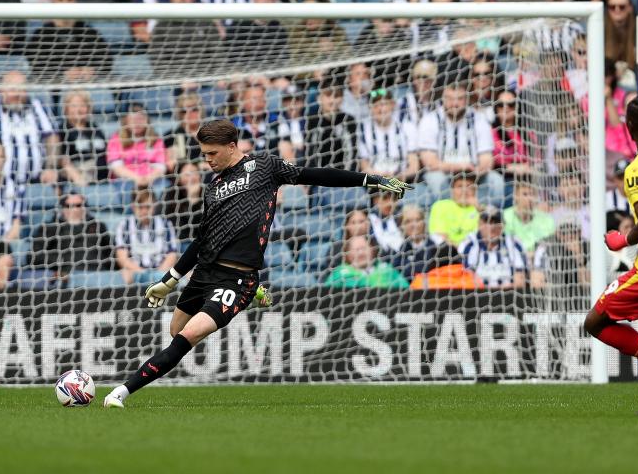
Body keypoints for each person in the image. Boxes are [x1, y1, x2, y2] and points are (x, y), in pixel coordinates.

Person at [102, 119, 411, 408]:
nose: (207, 160)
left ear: (232, 146)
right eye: (204, 154)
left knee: (187, 338)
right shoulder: (213, 189)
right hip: (205, 272)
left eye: (212, 153)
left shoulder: (264, 166)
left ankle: (121, 392)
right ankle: (253, 293)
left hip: (235, 279)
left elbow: (313, 174)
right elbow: (202, 240)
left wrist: (370, 180)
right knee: (176, 330)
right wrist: (170, 279)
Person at [0, 72, 60, 185]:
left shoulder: (38, 107)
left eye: (22, 89)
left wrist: (51, 167)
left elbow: (52, 137)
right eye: (12, 89)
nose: (17, 94)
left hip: (37, 182)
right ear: (2, 90)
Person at [418, 83, 501, 205]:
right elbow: (430, 163)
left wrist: (477, 170)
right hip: (443, 173)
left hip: (473, 174)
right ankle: (449, 219)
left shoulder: (479, 119)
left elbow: (487, 160)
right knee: (437, 180)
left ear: (467, 99)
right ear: (443, 99)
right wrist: (461, 166)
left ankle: (490, 219)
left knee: (496, 180)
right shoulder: (430, 120)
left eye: (460, 99)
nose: (455, 104)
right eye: (450, 99)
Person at [24, 0, 112, 83]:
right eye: (60, 0)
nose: (65, 4)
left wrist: (93, 70)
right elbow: (35, 64)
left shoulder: (89, 32)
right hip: (53, 87)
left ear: (76, 2)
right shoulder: (41, 35)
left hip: (88, 85)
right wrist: (62, 73)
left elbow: (106, 59)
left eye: (69, 0)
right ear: (53, 2)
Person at [29, 192, 114, 280]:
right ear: (62, 208)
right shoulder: (50, 228)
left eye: (78, 205)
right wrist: (63, 261)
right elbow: (33, 257)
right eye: (68, 206)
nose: (73, 209)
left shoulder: (98, 226)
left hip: (96, 275)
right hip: (66, 277)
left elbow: (111, 253)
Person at [115, 188, 180, 284]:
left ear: (154, 206)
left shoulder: (165, 224)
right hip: (135, 273)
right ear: (133, 207)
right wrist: (142, 273)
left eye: (148, 207)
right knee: (125, 274)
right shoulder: (125, 225)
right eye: (140, 207)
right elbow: (122, 257)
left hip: (161, 273)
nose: (144, 211)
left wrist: (159, 275)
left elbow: (172, 255)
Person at [357, 88, 419, 185]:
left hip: (403, 180)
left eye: (384, 104)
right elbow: (364, 166)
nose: (380, 109)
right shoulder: (363, 130)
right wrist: (381, 178)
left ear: (393, 105)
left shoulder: (406, 126)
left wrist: (398, 177)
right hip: (373, 183)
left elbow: (414, 166)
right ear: (370, 108)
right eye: (375, 105)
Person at [458, 207, 527, 288]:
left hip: (509, 296)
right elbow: (466, 279)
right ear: (479, 224)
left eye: (495, 222)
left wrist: (498, 292)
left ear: (503, 225)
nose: (492, 227)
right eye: (487, 222)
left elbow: (520, 280)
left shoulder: (514, 244)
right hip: (476, 297)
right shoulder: (468, 245)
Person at [106, 104, 168, 190]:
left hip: (152, 180)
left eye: (141, 119)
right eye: (133, 119)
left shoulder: (156, 139)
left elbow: (160, 166)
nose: (137, 123)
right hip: (125, 181)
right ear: (126, 120)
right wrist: (136, 178)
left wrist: (148, 178)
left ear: (147, 120)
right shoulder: (116, 139)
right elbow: (116, 167)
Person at [59, 88, 108, 185]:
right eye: (74, 106)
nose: (79, 110)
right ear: (66, 108)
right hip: (78, 178)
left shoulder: (95, 128)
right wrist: (78, 178)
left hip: (103, 177)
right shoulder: (62, 130)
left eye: (83, 105)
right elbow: (63, 160)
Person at [325, 235, 410, 289]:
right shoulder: (339, 275)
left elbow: (407, 291)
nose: (361, 253)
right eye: (356, 250)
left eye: (364, 248)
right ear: (348, 255)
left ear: (372, 250)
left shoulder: (388, 270)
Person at [388, 204, 446, 281]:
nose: (413, 225)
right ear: (402, 226)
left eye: (417, 220)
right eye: (408, 221)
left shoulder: (438, 244)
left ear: (424, 222)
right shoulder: (399, 251)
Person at [504, 178, 556, 254]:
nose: (529, 198)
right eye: (525, 194)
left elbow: (551, 244)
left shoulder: (547, 219)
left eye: (532, 194)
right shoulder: (504, 216)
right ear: (516, 196)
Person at [428, 170, 479, 245]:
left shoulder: (481, 210)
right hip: (446, 252)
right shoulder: (440, 206)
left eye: (469, 186)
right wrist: (458, 250)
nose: (464, 190)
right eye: (460, 186)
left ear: (475, 190)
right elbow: (439, 236)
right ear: (452, 190)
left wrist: (479, 209)